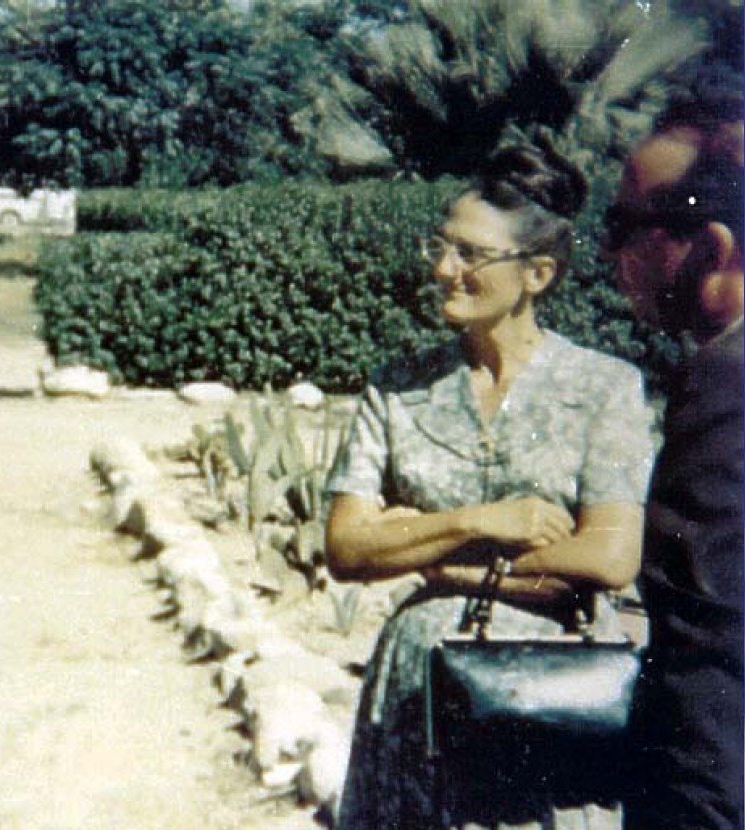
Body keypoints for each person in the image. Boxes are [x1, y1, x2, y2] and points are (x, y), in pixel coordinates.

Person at [323, 143, 656, 829]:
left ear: (537, 273)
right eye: (441, 247)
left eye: (470, 254)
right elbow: (347, 548)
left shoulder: (604, 388)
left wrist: (441, 562)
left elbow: (609, 556)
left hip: (548, 694)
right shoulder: (397, 389)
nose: (444, 269)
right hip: (414, 698)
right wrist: (478, 521)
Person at [605, 79, 744, 830]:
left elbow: (711, 650)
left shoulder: (727, 382)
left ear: (715, 251)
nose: (610, 251)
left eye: (627, 225)